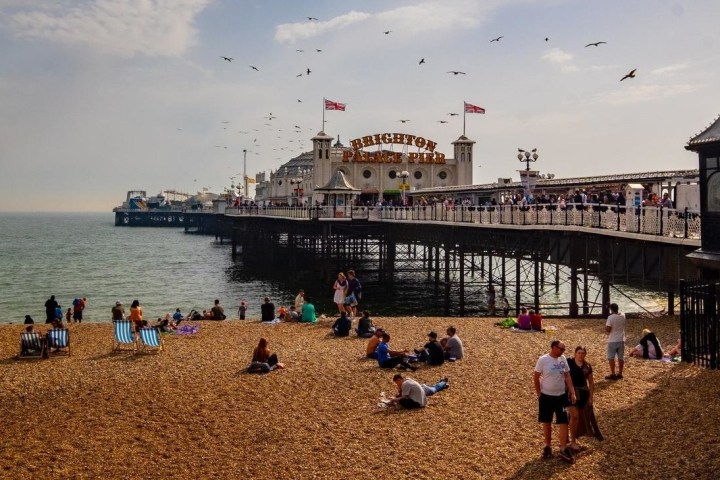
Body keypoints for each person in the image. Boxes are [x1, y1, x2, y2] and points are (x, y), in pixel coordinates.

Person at [533, 340, 577, 463]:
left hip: (561, 396)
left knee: (564, 421)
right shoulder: (543, 360)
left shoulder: (563, 359)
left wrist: (572, 391)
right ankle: (547, 446)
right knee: (546, 421)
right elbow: (536, 376)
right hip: (546, 396)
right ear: (553, 347)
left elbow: (567, 375)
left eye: (564, 350)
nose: (563, 352)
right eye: (561, 349)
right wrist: (539, 393)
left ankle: (563, 448)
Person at [567, 346, 600, 451]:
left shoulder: (587, 366)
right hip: (571, 392)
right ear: (575, 353)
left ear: (585, 354)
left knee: (584, 417)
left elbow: (591, 382)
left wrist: (591, 397)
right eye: (579, 353)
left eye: (582, 353)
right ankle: (572, 441)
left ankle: (574, 438)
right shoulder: (569, 362)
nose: (580, 355)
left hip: (584, 393)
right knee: (574, 416)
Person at [605, 303, 626, 380]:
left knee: (611, 357)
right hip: (621, 339)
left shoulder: (610, 318)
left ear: (611, 309)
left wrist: (605, 328)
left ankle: (613, 373)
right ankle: (620, 373)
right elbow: (620, 314)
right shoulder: (623, 316)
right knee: (620, 357)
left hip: (612, 339)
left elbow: (608, 329)